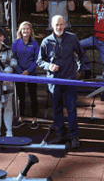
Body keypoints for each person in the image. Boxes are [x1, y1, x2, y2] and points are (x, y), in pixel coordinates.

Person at [37, 15, 87, 149]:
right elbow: (40, 61)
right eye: (56, 25)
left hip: (70, 79)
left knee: (71, 109)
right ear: (52, 26)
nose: (59, 27)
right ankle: (60, 133)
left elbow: (81, 54)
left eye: (61, 24)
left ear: (65, 25)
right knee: (57, 109)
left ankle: (74, 136)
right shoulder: (46, 42)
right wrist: (49, 66)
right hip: (54, 81)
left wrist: (80, 70)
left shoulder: (72, 38)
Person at [12, 21, 40, 130]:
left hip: (31, 73)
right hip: (19, 74)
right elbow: (13, 58)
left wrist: (28, 71)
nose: (26, 31)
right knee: (21, 97)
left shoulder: (35, 43)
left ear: (31, 31)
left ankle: (34, 119)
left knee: (33, 96)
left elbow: (37, 59)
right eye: (24, 29)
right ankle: (21, 118)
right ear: (20, 30)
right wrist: (20, 71)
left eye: (28, 29)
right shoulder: (15, 43)